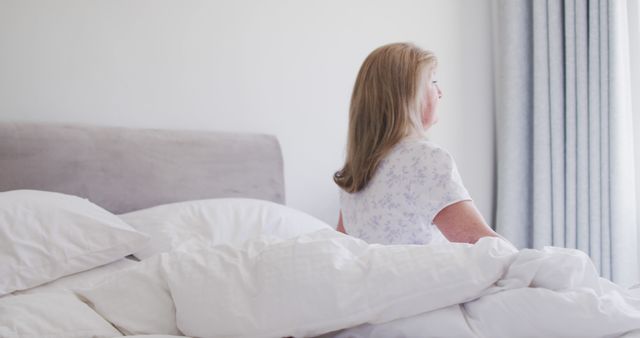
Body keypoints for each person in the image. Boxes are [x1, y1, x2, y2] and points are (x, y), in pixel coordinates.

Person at [334, 42, 500, 245]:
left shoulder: (353, 173)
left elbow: (343, 248)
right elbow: (485, 245)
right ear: (408, 95)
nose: (440, 93)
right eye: (433, 82)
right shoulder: (426, 159)